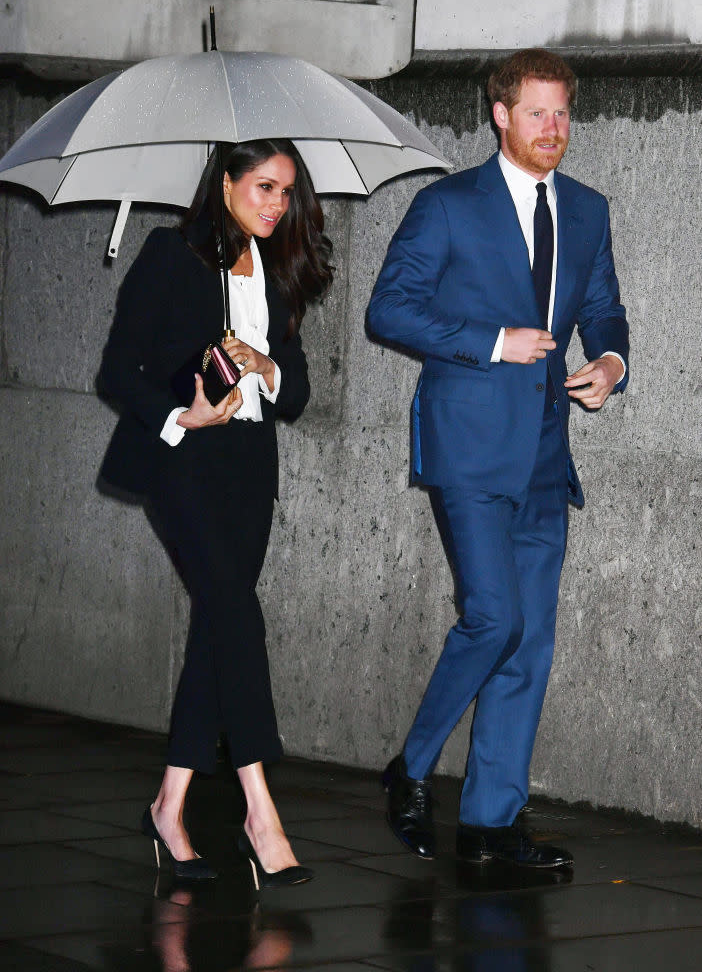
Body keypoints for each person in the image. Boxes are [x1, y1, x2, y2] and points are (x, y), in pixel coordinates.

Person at [366, 49, 628, 870]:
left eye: (563, 113)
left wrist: (612, 366)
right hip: (471, 449)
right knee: (495, 618)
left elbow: (604, 310)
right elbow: (388, 310)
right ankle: (410, 767)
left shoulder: (586, 210)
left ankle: (489, 828)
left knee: (530, 643)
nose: (554, 128)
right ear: (501, 115)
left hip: (548, 453)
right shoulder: (447, 206)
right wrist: (490, 342)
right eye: (537, 112)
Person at [99, 138, 333, 887]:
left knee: (219, 625)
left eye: (286, 192)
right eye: (263, 186)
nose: (276, 204)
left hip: (249, 470)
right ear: (225, 182)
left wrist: (267, 366)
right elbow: (116, 369)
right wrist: (180, 415)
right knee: (236, 610)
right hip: (183, 462)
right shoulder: (171, 255)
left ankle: (170, 806)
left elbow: (295, 396)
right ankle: (260, 811)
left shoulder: (279, 269)